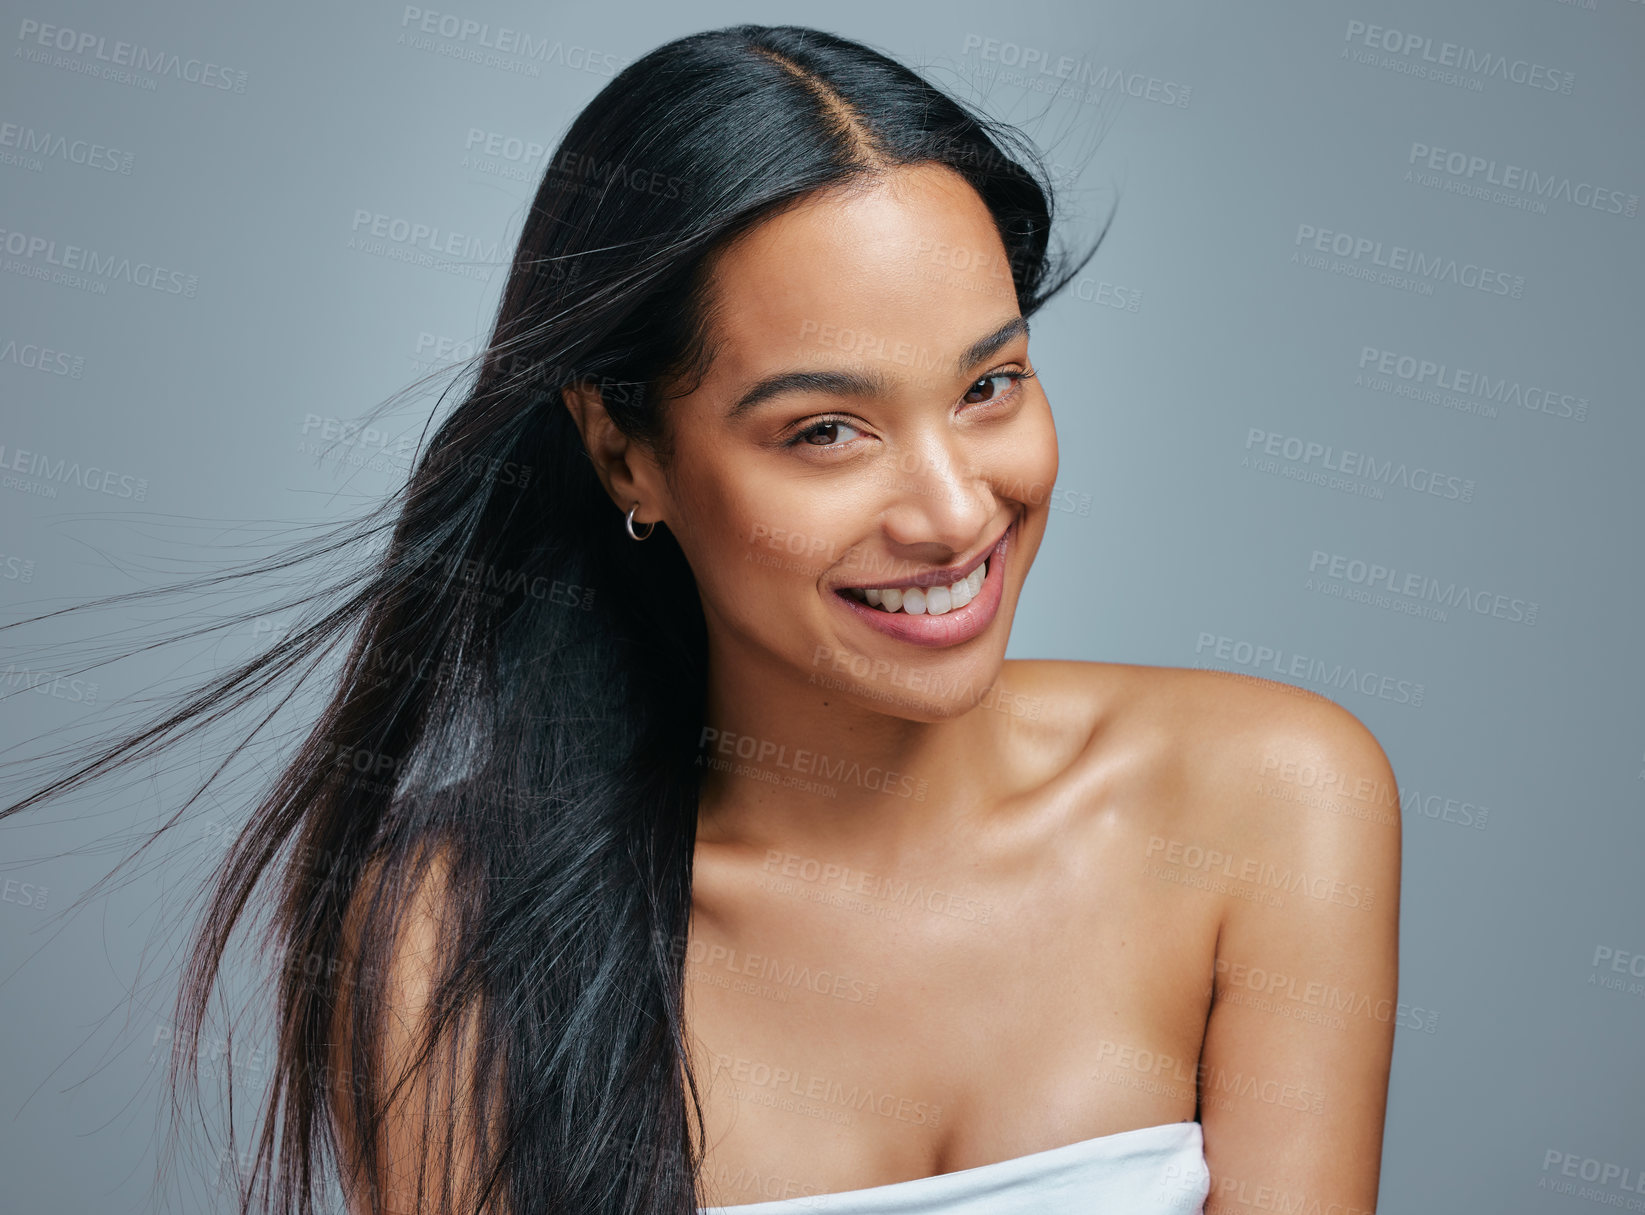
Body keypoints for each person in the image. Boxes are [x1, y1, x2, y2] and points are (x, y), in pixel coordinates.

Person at [1, 23, 1399, 1215]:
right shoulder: (461, 928)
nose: (953, 511)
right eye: (827, 430)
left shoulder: (1262, 800)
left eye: (990, 386)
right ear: (627, 454)